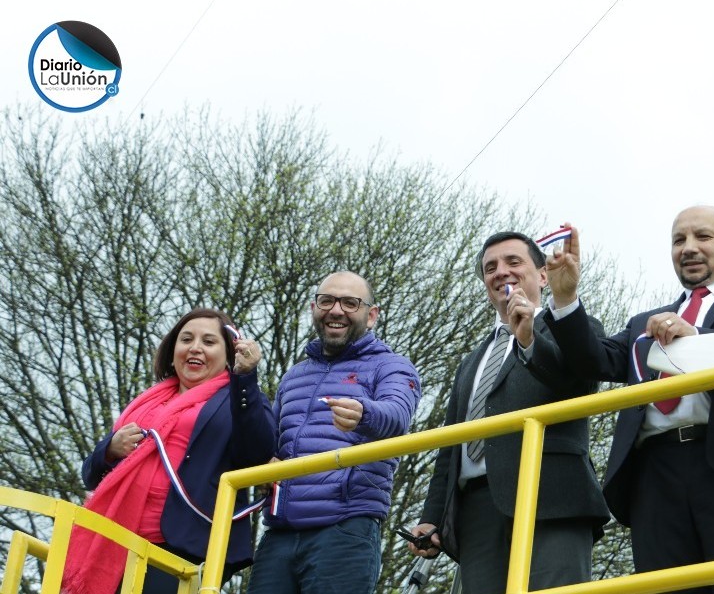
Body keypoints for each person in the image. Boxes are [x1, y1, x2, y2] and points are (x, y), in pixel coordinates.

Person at [543, 208, 714, 593]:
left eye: (702, 237)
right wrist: (565, 298)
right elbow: (590, 360)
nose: (689, 248)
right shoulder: (645, 322)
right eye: (679, 240)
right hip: (653, 478)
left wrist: (697, 338)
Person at [409, 231, 610, 594]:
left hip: (551, 498)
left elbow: (580, 385)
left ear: (544, 275)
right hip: (478, 510)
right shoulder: (471, 361)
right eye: (490, 267)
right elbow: (450, 444)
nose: (500, 272)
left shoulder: (574, 329)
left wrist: (531, 339)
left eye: (513, 262)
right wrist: (432, 517)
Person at [64, 308, 276, 594]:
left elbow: (257, 451)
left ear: (230, 353)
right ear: (173, 349)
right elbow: (91, 475)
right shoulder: (147, 402)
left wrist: (245, 378)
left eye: (209, 342)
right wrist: (110, 449)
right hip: (117, 540)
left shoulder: (240, 398)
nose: (195, 348)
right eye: (186, 339)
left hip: (183, 544)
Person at [247, 271, 421, 594]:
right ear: (314, 308)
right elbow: (270, 440)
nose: (336, 310)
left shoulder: (392, 365)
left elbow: (398, 416)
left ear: (371, 316)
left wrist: (364, 412)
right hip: (280, 533)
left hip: (345, 526)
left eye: (349, 303)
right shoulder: (293, 376)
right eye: (326, 301)